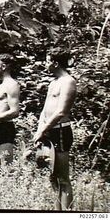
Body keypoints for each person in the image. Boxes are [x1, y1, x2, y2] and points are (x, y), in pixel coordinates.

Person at [33, 48, 76, 211]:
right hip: (47, 131)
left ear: (55, 63)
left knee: (63, 178)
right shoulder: (53, 82)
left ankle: (68, 213)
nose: (45, 63)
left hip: (60, 132)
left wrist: (43, 129)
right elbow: (45, 110)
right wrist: (39, 131)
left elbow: (61, 111)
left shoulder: (68, 81)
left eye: (47, 60)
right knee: (52, 177)